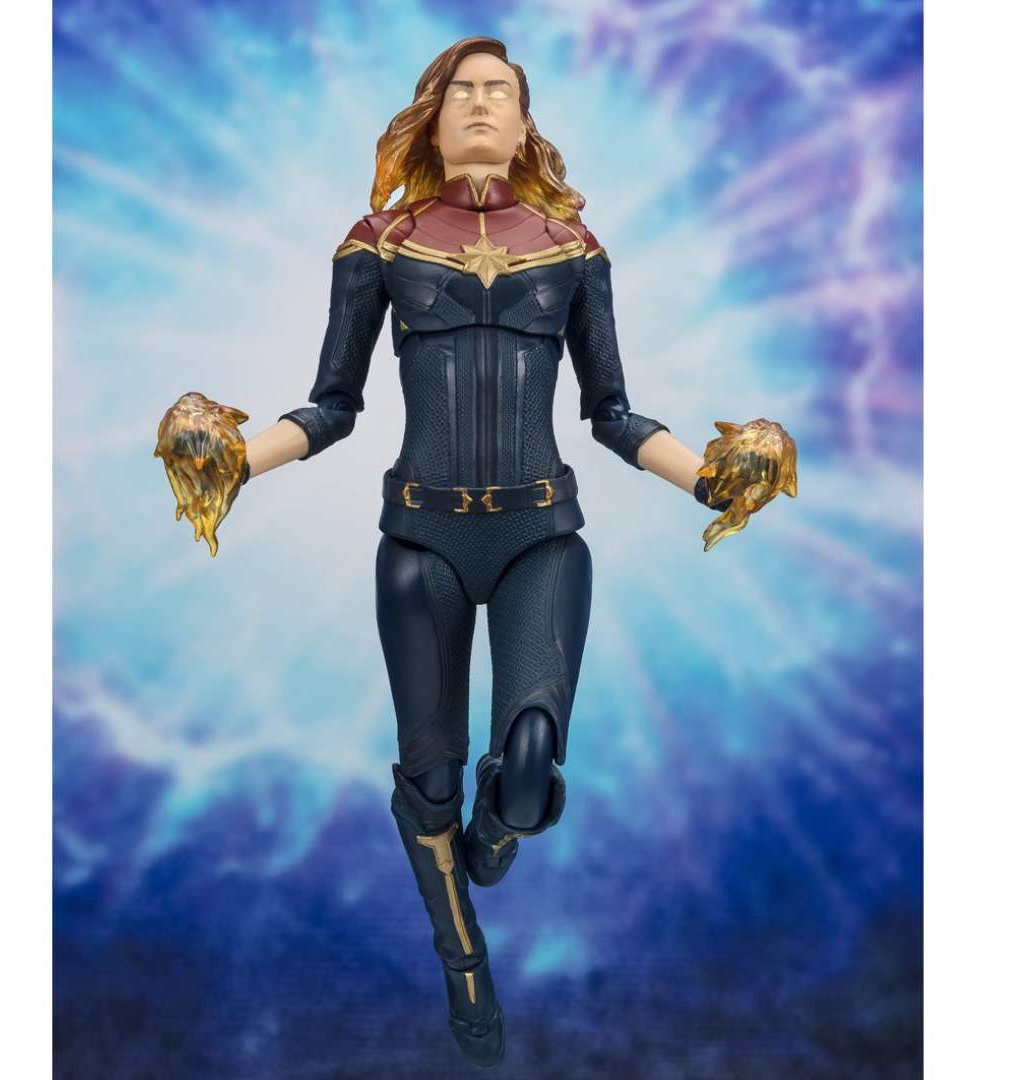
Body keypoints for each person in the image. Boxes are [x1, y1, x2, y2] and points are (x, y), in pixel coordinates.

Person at [155, 36, 796, 1068]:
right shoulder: (380, 242)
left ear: (526, 121)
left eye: (501, 91)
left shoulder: (574, 247)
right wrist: (235, 461)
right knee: (430, 779)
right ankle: (462, 960)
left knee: (531, 766)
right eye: (463, 91)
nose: (483, 103)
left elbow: (611, 410)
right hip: (423, 540)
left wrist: (710, 481)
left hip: (543, 535)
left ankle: (500, 834)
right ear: (435, 115)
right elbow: (333, 404)